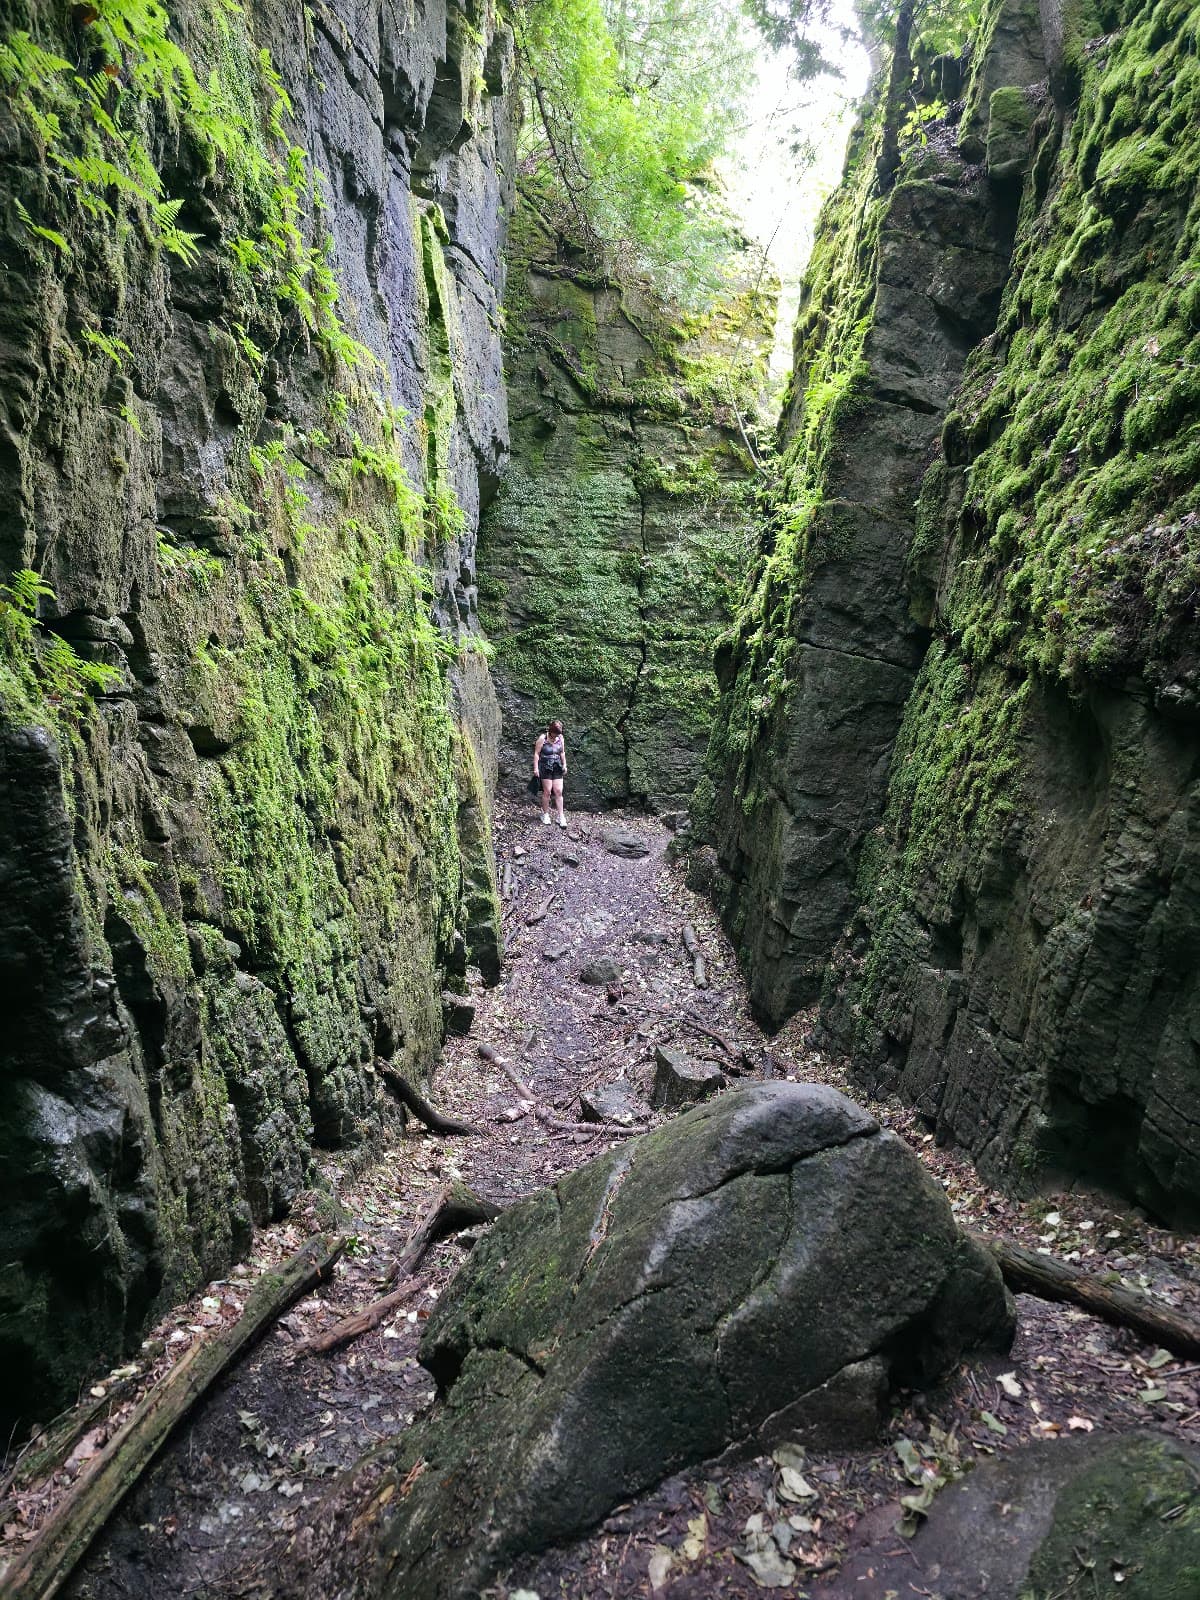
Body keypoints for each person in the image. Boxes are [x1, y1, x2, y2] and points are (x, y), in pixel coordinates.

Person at [533, 719, 567, 827]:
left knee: (558, 791)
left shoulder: (560, 738)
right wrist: (536, 768)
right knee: (547, 791)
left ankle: (560, 816)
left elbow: (562, 752)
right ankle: (545, 814)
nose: (556, 735)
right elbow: (536, 754)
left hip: (557, 766)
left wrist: (564, 764)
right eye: (554, 733)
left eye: (558, 733)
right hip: (545, 766)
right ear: (550, 731)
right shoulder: (542, 738)